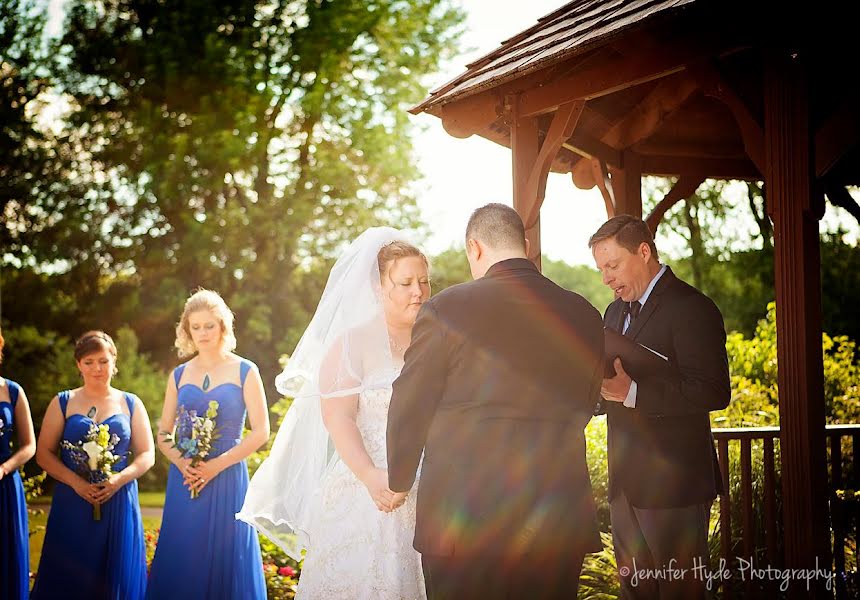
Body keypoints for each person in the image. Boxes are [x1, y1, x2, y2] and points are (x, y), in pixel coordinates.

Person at [387, 203, 606, 599]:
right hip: (557, 513)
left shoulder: (447, 309)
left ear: (475, 247)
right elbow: (588, 402)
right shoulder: (585, 313)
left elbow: (410, 400)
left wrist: (399, 478)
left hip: (465, 514)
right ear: (524, 244)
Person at [239, 227, 431, 599]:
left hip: (424, 492)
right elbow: (338, 417)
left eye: (423, 281)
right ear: (378, 288)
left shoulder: (433, 337)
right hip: (364, 488)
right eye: (406, 282)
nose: (418, 291)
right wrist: (373, 477)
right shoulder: (351, 343)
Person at [589, 215, 730, 599]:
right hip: (624, 489)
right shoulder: (612, 314)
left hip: (676, 488)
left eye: (613, 266)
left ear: (644, 251)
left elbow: (714, 391)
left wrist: (634, 392)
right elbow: (610, 382)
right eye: (601, 269)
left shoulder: (692, 307)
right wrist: (596, 391)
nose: (606, 278)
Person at [146, 289, 269, 600]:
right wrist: (180, 461)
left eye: (209, 326)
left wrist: (216, 465)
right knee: (184, 552)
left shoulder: (245, 370)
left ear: (223, 326)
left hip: (227, 476)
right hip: (185, 479)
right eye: (195, 326)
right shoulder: (178, 374)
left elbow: (260, 432)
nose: (202, 333)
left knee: (228, 555)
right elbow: (163, 433)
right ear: (186, 329)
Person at [31, 330, 154, 600]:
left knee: (113, 576)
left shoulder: (130, 403)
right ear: (78, 365)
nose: (97, 368)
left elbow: (147, 454)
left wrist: (118, 480)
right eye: (89, 362)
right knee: (71, 570)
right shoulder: (63, 402)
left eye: (103, 361)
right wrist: (77, 483)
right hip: (72, 499)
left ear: (114, 361)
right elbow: (44, 454)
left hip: (118, 498)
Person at [0, 327, 36, 600]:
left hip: (5, 485)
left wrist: (4, 468)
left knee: (7, 554)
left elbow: (29, 446)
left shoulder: (13, 391)